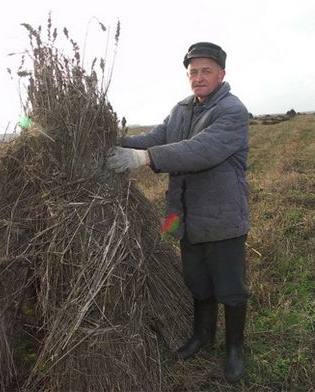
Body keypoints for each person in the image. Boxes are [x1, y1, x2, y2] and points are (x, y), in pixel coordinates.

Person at [106, 42, 249, 384]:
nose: (198, 78)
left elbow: (201, 150)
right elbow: (158, 137)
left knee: (230, 287)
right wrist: (117, 142)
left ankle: (234, 350)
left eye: (206, 71)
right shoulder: (181, 109)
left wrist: (146, 159)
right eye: (193, 72)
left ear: (221, 74)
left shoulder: (232, 111)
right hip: (184, 218)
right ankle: (202, 337)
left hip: (222, 217)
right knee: (197, 282)